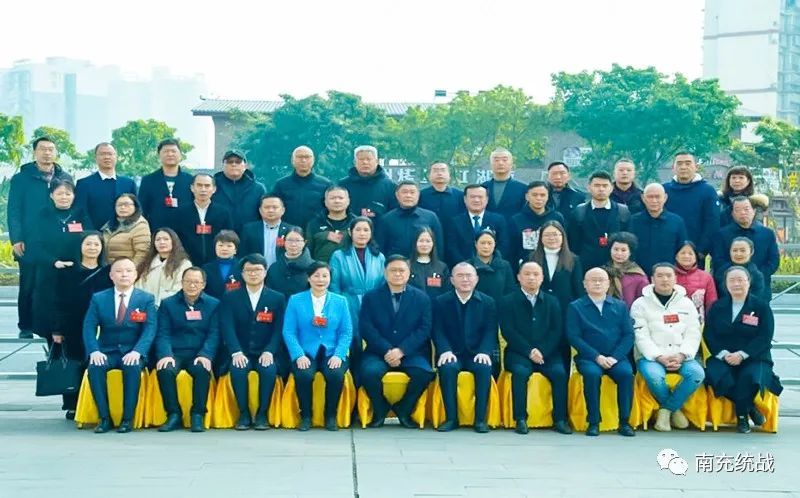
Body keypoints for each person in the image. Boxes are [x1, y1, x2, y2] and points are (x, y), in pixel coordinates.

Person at [704, 266, 783, 433]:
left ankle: (741, 417)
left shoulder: (761, 307)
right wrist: (724, 354)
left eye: (740, 280)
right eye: (732, 280)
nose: (736, 284)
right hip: (724, 356)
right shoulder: (717, 307)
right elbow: (709, 334)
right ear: (725, 284)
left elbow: (765, 336)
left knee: (750, 376)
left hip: (755, 356)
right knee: (717, 375)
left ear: (749, 282)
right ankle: (750, 408)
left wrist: (742, 355)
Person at [8, 136, 73, 338]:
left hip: (56, 240)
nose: (47, 153)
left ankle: (52, 326)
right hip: (29, 240)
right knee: (28, 283)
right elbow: (14, 210)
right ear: (34, 152)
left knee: (55, 284)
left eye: (51, 149)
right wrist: (16, 238)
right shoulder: (21, 179)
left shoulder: (65, 177)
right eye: (43, 149)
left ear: (56, 152)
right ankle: (26, 325)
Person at [83, 257, 157, 433]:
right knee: (95, 368)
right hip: (107, 351)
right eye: (119, 271)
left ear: (135, 274)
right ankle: (104, 418)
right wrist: (94, 351)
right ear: (111, 275)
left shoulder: (146, 299)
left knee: (132, 368)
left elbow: (150, 329)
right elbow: (88, 327)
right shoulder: (99, 298)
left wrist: (138, 352)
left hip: (132, 350)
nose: (124, 274)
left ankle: (127, 419)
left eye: (128, 271)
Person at [359, 256, 435, 428]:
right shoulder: (371, 297)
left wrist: (401, 350)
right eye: (393, 270)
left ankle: (404, 409)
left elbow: (424, 329)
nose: (398, 274)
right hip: (379, 352)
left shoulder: (421, 298)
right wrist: (387, 350)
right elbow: (366, 328)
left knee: (424, 373)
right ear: (385, 273)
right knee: (369, 372)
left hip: (410, 352)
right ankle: (380, 408)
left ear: (409, 273)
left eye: (402, 270)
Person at [499, 261, 571, 435]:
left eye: (536, 274)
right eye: (527, 274)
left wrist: (542, 351)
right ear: (519, 277)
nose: (531, 278)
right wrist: (529, 351)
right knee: (520, 373)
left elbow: (556, 330)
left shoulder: (552, 301)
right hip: (519, 352)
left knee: (559, 373)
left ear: (542, 278)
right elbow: (508, 331)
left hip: (548, 353)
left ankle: (560, 419)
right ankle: (520, 419)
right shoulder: (507, 301)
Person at [630, 263, 704, 432]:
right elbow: (641, 335)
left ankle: (666, 410)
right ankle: (675, 410)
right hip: (651, 357)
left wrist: (682, 355)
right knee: (654, 376)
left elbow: (693, 333)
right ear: (652, 279)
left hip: (681, 355)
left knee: (697, 374)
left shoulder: (686, 303)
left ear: (675, 279)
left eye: (669, 276)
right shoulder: (640, 304)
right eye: (660, 276)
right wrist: (659, 357)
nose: (665, 279)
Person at [220, 254, 287, 430]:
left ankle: (262, 414)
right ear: (242, 274)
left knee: (268, 370)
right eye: (248, 270)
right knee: (238, 370)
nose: (253, 274)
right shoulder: (230, 297)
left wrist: (270, 351)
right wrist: (236, 352)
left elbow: (279, 329)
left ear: (265, 272)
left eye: (257, 270)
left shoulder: (277, 298)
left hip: (266, 351)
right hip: (241, 350)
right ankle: (243, 414)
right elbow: (227, 327)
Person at [282, 262, 352, 431]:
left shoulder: (340, 301)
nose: (321, 280)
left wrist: (339, 355)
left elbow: (346, 332)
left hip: (332, 351)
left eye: (325, 276)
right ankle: (306, 415)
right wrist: (299, 355)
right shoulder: (296, 300)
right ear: (309, 278)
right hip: (306, 351)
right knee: (304, 375)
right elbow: (289, 331)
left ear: (330, 278)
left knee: (335, 374)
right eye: (316, 276)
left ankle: (331, 415)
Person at [566, 267, 635, 437]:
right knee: (592, 375)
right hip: (589, 357)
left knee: (626, 374)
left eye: (601, 280)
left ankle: (625, 422)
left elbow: (628, 335)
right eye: (593, 280)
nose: (597, 283)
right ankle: (594, 422)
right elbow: (574, 337)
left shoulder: (620, 306)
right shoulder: (576, 307)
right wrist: (596, 357)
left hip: (616, 357)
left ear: (608, 283)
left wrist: (615, 357)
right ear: (585, 284)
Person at [52, 231, 113, 419]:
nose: (92, 248)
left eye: (96, 244)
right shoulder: (68, 271)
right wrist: (57, 328)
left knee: (95, 363)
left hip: (100, 325)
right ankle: (72, 405)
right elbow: (58, 301)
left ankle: (96, 404)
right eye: (88, 244)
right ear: (80, 246)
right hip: (72, 323)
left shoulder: (107, 273)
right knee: (74, 363)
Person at [432, 262, 497, 433]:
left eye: (469, 276)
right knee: (447, 368)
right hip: (452, 353)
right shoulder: (441, 302)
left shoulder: (488, 302)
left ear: (476, 279)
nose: (465, 279)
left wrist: (484, 351)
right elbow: (437, 330)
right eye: (460, 276)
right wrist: (445, 350)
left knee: (484, 368)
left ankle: (480, 420)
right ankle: (451, 418)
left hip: (477, 353)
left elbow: (490, 331)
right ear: (452, 280)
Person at [154, 267, 220, 433]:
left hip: (199, 352)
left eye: (196, 282)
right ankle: (173, 414)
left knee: (202, 369)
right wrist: (166, 354)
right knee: (165, 370)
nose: (192, 285)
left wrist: (206, 354)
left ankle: (197, 414)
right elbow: (163, 332)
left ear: (203, 284)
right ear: (181, 283)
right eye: (188, 281)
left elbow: (214, 334)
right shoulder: (168, 304)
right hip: (175, 352)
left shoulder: (213, 304)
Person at [29, 180, 94, 339]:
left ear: (74, 195)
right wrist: (54, 262)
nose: (64, 197)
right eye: (59, 193)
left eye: (67, 193)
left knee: (75, 315)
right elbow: (34, 245)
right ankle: (53, 351)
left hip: (76, 271)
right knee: (50, 318)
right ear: (51, 195)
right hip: (49, 272)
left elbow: (91, 238)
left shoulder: (80, 213)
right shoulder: (42, 215)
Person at [329, 217, 385, 378]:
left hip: (374, 305)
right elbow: (334, 285)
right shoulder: (339, 255)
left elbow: (383, 284)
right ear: (350, 232)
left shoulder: (379, 257)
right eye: (358, 230)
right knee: (352, 344)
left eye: (366, 230)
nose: (362, 233)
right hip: (348, 303)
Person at [530, 220, 585, 371]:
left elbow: (578, 289)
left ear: (563, 237)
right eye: (547, 235)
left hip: (564, 311)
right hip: (538, 311)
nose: (552, 238)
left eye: (556, 234)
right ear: (541, 238)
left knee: (562, 350)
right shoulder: (532, 258)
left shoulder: (573, 259)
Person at [711, 196, 779, 300]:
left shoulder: (767, 234)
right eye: (737, 210)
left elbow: (773, 261)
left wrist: (756, 275)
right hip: (729, 290)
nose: (742, 213)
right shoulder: (722, 235)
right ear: (732, 214)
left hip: (760, 289)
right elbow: (718, 261)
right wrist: (735, 276)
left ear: (754, 211)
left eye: (746, 209)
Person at [568, 171, 631, 272]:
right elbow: (573, 244)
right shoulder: (579, 212)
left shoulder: (622, 211)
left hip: (615, 268)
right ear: (589, 187)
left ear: (611, 188)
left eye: (605, 186)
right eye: (597, 185)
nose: (601, 189)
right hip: (586, 268)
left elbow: (629, 242)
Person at [663, 152, 720, 262]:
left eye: (688, 163)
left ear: (696, 167)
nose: (683, 167)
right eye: (679, 163)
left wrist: (702, 250)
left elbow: (712, 223)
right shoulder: (664, 190)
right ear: (673, 168)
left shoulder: (708, 191)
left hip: (694, 254)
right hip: (667, 251)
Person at [174, 174, 234, 266]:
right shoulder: (180, 212)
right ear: (192, 188)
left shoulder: (223, 212)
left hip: (215, 263)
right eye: (199, 185)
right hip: (187, 262)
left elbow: (228, 237)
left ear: (214, 189)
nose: (203, 189)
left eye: (207, 186)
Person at [75, 142, 137, 229]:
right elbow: (80, 212)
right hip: (94, 235)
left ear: (116, 157)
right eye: (102, 154)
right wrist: (91, 233)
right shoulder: (84, 184)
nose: (107, 157)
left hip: (125, 233)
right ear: (95, 158)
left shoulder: (129, 183)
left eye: (110, 154)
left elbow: (136, 210)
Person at [629, 183, 687, 276]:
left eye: (657, 197)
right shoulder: (633, 221)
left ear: (665, 198)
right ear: (643, 198)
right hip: (638, 275)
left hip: (666, 276)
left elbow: (681, 249)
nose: (654, 200)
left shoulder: (677, 222)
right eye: (650, 197)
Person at [137, 138, 194, 233]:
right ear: (159, 155)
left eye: (173, 151)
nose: (170, 154)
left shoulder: (190, 180)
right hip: (157, 233)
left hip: (185, 232)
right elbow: (142, 209)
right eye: (166, 151)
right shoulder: (148, 180)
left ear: (180, 155)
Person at [444, 184, 509, 266]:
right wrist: (467, 266)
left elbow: (503, 245)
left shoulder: (498, 220)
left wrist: (490, 264)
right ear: (465, 199)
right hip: (464, 268)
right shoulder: (454, 222)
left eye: (480, 197)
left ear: (487, 199)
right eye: (472, 197)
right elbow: (452, 248)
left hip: (492, 267)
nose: (476, 200)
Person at [377, 181, 444, 258]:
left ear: (418, 195)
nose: (408, 195)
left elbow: (438, 247)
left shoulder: (431, 217)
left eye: (412, 192)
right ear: (397, 195)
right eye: (404, 192)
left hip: (423, 263)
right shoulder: (386, 219)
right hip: (396, 263)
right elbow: (381, 248)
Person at [272, 146, 332, 230]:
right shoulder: (281, 184)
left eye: (307, 157)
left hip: (317, 231)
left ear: (313, 160)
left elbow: (331, 210)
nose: (303, 160)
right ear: (292, 160)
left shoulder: (325, 184)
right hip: (289, 232)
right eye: (299, 157)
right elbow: (274, 208)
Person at [509, 180, 565, 269]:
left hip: (553, 265)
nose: (539, 198)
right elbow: (512, 249)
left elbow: (564, 243)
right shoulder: (516, 219)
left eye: (542, 195)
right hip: (526, 267)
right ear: (527, 196)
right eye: (534, 195)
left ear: (548, 197)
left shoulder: (557, 217)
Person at [211, 150, 266, 234]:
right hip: (219, 237)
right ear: (223, 165)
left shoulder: (258, 189)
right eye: (229, 162)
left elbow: (264, 214)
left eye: (238, 162)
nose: (234, 164)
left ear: (245, 165)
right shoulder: (211, 187)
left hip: (249, 236)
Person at [135, 228, 193, 307]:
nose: (162, 242)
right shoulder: (146, 263)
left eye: (166, 239)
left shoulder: (184, 264)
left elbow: (180, 289)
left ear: (173, 241)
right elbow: (138, 287)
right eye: (158, 240)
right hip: (146, 307)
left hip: (170, 307)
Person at [338, 145, 397, 221]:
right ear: (355, 162)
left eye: (369, 159)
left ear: (377, 161)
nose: (365, 162)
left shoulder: (390, 186)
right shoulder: (343, 185)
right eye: (361, 159)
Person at [240, 195, 295, 268]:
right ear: (260, 210)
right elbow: (242, 254)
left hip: (283, 272)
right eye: (266, 207)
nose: (270, 210)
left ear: (283, 210)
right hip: (256, 272)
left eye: (275, 207)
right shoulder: (249, 229)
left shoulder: (291, 230)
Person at [306, 185, 355, 262]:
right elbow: (308, 251)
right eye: (332, 198)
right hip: (321, 268)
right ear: (325, 202)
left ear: (348, 201)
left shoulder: (356, 223)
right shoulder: (314, 224)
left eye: (341, 198)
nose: (337, 201)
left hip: (350, 267)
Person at [102, 193, 151, 266]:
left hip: (127, 270)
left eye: (126, 204)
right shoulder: (109, 225)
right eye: (119, 205)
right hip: (109, 269)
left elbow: (142, 254)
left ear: (135, 207)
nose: (122, 207)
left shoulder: (140, 225)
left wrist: (129, 270)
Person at [603, 232, 649, 309]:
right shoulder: (602, 272)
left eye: (623, 250)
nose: (619, 253)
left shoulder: (639, 276)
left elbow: (644, 303)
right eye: (616, 249)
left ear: (630, 252)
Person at [266, 227, 315, 298]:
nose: (293, 244)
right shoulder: (274, 268)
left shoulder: (314, 267)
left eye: (297, 240)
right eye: (289, 240)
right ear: (284, 242)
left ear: (304, 242)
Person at [714, 237, 768, 303]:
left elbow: (756, 299)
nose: (738, 254)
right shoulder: (721, 272)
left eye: (743, 250)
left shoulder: (757, 275)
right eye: (735, 250)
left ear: (751, 252)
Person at [674, 241, 718, 322]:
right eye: (683, 253)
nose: (686, 256)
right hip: (674, 321)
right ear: (676, 256)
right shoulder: (669, 275)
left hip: (698, 322)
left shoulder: (706, 277)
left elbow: (711, 303)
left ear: (695, 257)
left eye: (690, 253)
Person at [481, 148, 528, 222]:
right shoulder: (482, 188)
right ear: (490, 164)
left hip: (513, 227)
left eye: (504, 160)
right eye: (496, 160)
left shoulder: (523, 189)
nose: (500, 163)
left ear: (511, 164)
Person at [408, 227, 451, 301]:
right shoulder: (407, 266)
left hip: (436, 306)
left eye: (428, 241)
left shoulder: (442, 267)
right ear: (415, 243)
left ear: (433, 243)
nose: (424, 244)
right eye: (421, 241)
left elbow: (447, 292)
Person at [200, 230, 242, 300]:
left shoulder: (242, 267)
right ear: (215, 248)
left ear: (235, 250)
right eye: (220, 245)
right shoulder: (206, 268)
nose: (224, 249)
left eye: (229, 246)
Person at [545, 161, 585, 227]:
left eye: (562, 173)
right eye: (554, 173)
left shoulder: (578, 196)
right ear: (547, 176)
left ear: (569, 176)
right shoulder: (540, 195)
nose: (558, 177)